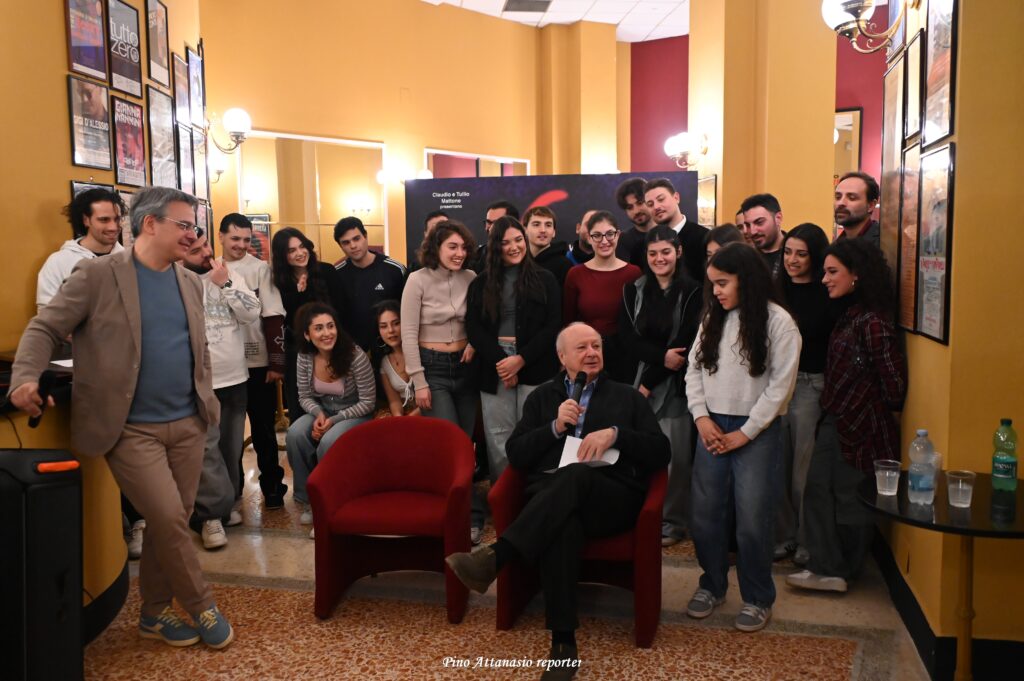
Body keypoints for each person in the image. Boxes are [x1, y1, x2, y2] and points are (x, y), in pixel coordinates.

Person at [8, 186, 234, 649]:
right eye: (184, 225)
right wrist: (25, 377)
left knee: (169, 522)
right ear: (150, 224)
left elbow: (197, 350)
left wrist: (204, 402)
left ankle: (153, 614)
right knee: (169, 519)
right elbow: (45, 327)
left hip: (188, 423)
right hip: (130, 428)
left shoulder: (190, 282)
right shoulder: (97, 275)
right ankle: (202, 604)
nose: (193, 235)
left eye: (194, 226)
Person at [445, 322, 670, 678]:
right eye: (582, 348)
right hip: (552, 498)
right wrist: (554, 427)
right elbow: (517, 454)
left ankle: (498, 555)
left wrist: (616, 435)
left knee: (577, 474)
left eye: (596, 346)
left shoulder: (626, 396)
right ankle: (563, 646)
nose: (592, 353)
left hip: (610, 499)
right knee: (562, 525)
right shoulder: (542, 398)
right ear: (562, 357)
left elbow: (660, 451)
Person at [685, 242, 801, 633]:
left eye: (723, 283)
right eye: (712, 284)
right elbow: (694, 370)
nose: (716, 292)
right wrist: (701, 417)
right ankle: (712, 585)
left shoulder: (779, 322)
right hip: (712, 424)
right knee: (706, 514)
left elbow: (780, 387)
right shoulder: (713, 317)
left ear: (746, 280)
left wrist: (746, 433)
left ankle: (757, 597)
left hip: (758, 429)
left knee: (752, 518)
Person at [787, 238, 906, 594]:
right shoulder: (850, 314)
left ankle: (841, 570)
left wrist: (864, 408)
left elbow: (894, 386)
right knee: (817, 490)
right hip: (835, 420)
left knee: (849, 498)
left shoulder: (873, 323)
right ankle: (824, 564)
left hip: (860, 427)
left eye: (832, 272)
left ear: (857, 275)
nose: (824, 279)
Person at [467, 216, 561, 535]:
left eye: (518, 240)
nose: (513, 247)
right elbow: (474, 329)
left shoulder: (545, 279)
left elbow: (553, 325)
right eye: (505, 242)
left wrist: (520, 361)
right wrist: (502, 362)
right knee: (499, 438)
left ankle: (533, 502)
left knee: (535, 434)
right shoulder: (480, 283)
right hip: (494, 367)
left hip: (535, 364)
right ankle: (505, 503)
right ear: (495, 246)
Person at [618, 226, 702, 547]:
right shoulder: (633, 290)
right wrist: (654, 366)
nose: (659, 259)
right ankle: (643, 514)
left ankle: (673, 521)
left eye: (666, 252)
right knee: (638, 452)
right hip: (639, 379)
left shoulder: (694, 291)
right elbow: (628, 338)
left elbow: (683, 344)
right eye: (652, 254)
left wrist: (650, 381)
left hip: (674, 384)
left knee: (675, 457)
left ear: (678, 252)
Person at [182, 233, 261, 550]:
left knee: (230, 448)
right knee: (207, 450)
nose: (206, 252)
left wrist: (225, 283)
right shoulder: (178, 281)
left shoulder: (229, 274)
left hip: (235, 378)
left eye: (206, 245)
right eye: (196, 249)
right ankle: (208, 517)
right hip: (200, 381)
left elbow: (251, 313)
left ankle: (226, 505)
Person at [286, 302, 376, 535]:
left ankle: (329, 503)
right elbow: (304, 396)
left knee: (329, 440)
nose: (327, 333)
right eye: (318, 328)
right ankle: (308, 500)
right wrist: (319, 414)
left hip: (355, 413)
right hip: (323, 411)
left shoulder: (355, 355)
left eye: (330, 326)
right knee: (295, 433)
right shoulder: (304, 356)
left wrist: (333, 422)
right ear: (307, 335)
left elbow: (368, 402)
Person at [774, 224, 835, 565]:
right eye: (787, 252)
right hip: (776, 385)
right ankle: (785, 536)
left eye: (801, 254)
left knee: (803, 471)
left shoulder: (825, 292)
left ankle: (806, 539)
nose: (792, 260)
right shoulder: (776, 289)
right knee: (778, 468)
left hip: (811, 384)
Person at [219, 213, 288, 509]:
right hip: (224, 366)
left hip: (258, 363)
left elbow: (273, 316)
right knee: (228, 435)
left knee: (263, 431)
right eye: (235, 238)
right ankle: (231, 489)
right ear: (221, 236)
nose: (241, 245)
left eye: (247, 239)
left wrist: (276, 363)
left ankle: (272, 488)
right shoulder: (211, 268)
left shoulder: (260, 269)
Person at [401, 220, 478, 434]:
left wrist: (473, 343)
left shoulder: (471, 277)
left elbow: (480, 320)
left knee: (466, 436)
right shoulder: (417, 280)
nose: (460, 253)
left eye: (464, 247)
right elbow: (408, 335)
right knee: (447, 435)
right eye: (452, 247)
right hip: (432, 369)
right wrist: (419, 382)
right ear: (436, 248)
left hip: (466, 366)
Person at [271, 227, 341, 423]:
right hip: (298, 350)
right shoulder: (278, 281)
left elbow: (341, 310)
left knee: (332, 404)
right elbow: (286, 318)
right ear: (282, 256)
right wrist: (299, 294)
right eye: (291, 250)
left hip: (331, 346)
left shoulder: (327, 271)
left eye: (302, 246)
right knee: (299, 406)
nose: (300, 253)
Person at [562, 211, 641, 382]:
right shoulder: (575, 274)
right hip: (586, 357)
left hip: (625, 359)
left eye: (609, 234)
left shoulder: (634, 273)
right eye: (597, 235)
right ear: (589, 238)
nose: (604, 241)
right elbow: (568, 322)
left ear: (618, 235)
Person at [37, 188, 126, 310]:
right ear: (86, 220)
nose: (113, 227)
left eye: (117, 219)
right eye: (104, 220)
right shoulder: (59, 262)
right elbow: (47, 313)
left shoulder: (130, 260)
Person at [331, 216, 406, 350]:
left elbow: (409, 312)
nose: (353, 246)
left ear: (365, 236)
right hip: (353, 351)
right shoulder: (336, 275)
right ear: (340, 246)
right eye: (346, 242)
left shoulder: (395, 270)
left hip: (391, 349)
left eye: (356, 239)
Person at [644, 178, 708, 282]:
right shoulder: (647, 242)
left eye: (661, 199)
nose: (656, 207)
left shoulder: (704, 237)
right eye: (650, 204)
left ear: (676, 198)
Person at [370, 299, 419, 417]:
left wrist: (410, 419)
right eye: (384, 326)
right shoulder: (384, 362)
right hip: (405, 414)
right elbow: (394, 401)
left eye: (396, 323)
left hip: (428, 408)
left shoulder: (421, 351)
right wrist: (399, 419)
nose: (391, 330)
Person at [740, 194, 786, 280]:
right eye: (748, 225)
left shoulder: (795, 254)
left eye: (759, 222)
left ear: (778, 218)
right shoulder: (745, 258)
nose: (752, 231)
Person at [523, 205, 571, 286]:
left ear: (554, 232)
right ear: (525, 230)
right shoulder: (518, 261)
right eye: (536, 224)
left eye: (548, 225)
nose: (543, 230)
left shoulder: (564, 265)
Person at [833, 172, 880, 248]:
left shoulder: (884, 243)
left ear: (871, 205)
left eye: (852, 198)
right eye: (838, 197)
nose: (841, 203)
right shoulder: (836, 245)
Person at [614, 177, 654, 268]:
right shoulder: (623, 240)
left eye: (640, 203)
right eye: (630, 207)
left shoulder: (670, 231)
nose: (636, 211)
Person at [471, 200, 519, 273]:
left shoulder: (530, 258)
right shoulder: (476, 258)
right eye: (488, 222)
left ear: (514, 224)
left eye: (497, 223)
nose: (491, 228)